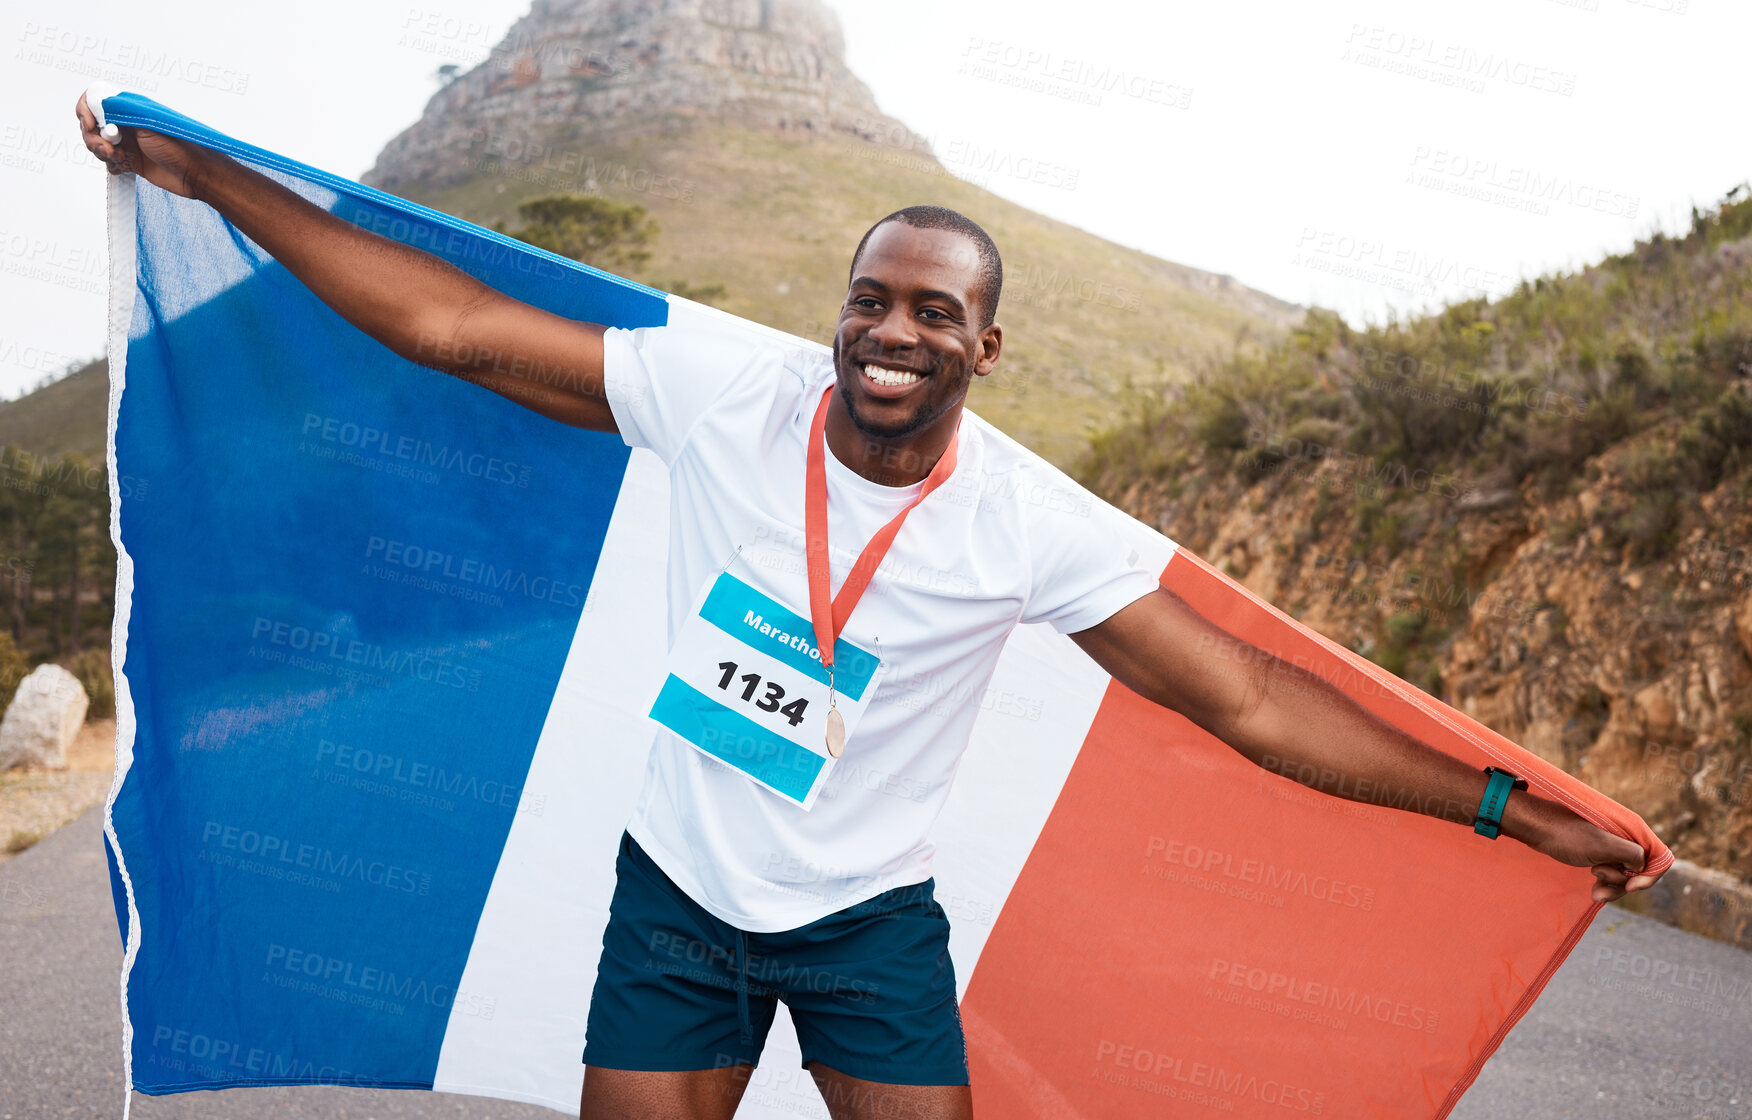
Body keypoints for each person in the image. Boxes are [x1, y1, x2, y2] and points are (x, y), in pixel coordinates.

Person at [78, 93, 1660, 1120]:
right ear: (839, 315)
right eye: (870, 301)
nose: (890, 332)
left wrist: (1510, 807)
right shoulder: (722, 394)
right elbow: (461, 329)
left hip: (864, 933)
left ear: (985, 347)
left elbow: (1245, 699)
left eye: (934, 313)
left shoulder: (1023, 523)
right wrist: (212, 175)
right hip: (680, 898)